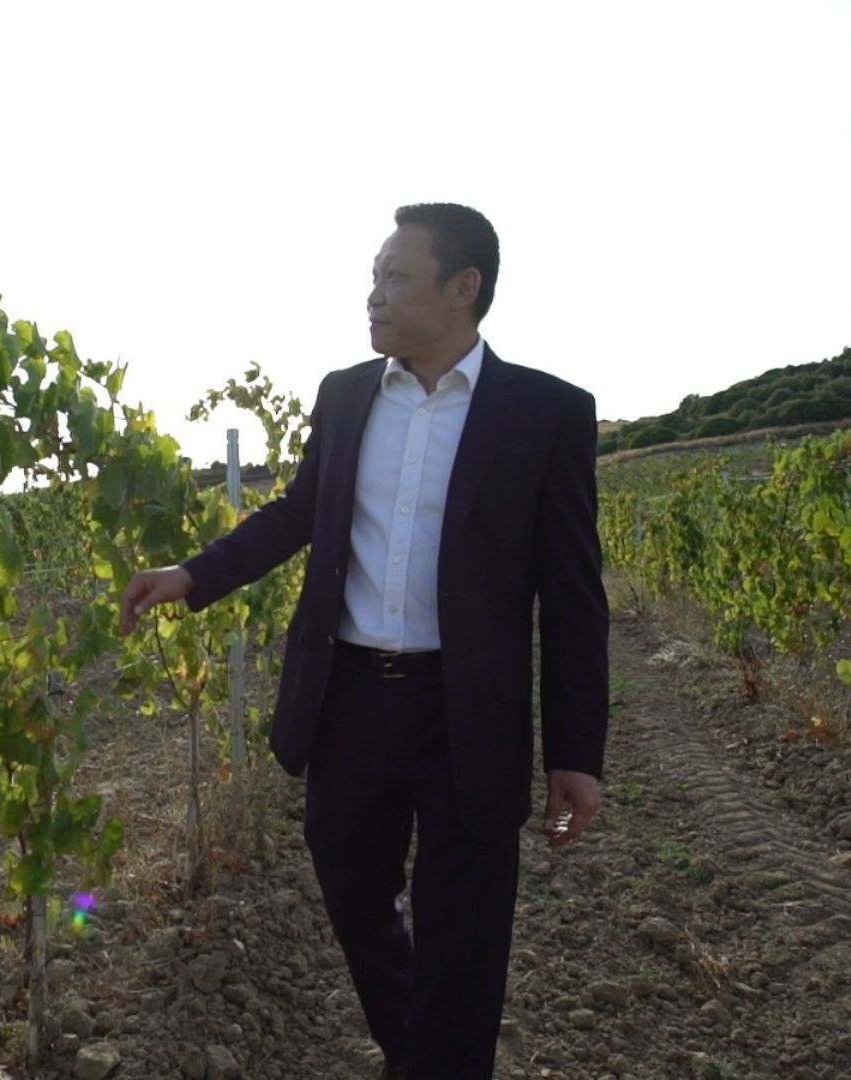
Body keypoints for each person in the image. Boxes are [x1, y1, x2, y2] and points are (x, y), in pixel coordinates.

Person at [120, 203, 609, 1080]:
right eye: (373, 276)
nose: (372, 296)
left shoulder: (547, 415)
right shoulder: (346, 394)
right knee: (352, 893)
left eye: (394, 278)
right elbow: (300, 511)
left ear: (463, 290)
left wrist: (578, 751)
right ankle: (417, 1051)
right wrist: (193, 575)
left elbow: (573, 596)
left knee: (466, 931)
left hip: (470, 710)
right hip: (350, 700)